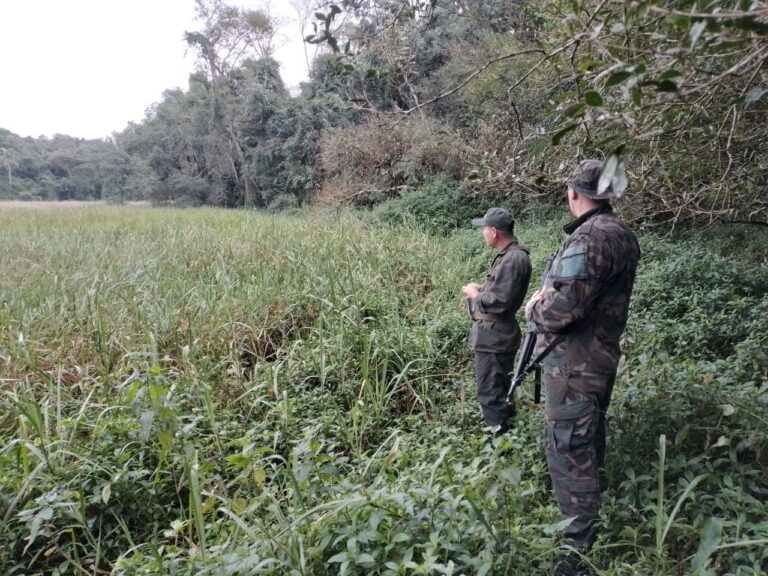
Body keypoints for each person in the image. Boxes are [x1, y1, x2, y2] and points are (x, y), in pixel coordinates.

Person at [524, 159, 640, 576]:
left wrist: (535, 310)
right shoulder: (620, 234)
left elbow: (563, 311)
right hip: (598, 358)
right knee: (587, 440)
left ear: (573, 193)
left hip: (575, 365)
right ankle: (590, 522)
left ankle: (578, 552)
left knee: (570, 448)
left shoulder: (589, 238)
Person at [461, 207, 532, 435]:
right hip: (494, 335)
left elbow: (500, 302)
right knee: (500, 392)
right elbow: (503, 292)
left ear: (493, 231)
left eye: (484, 229)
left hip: (495, 338)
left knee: (491, 394)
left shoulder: (514, 259)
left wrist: (475, 295)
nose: (483, 233)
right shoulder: (509, 256)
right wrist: (484, 290)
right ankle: (508, 439)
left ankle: (500, 448)